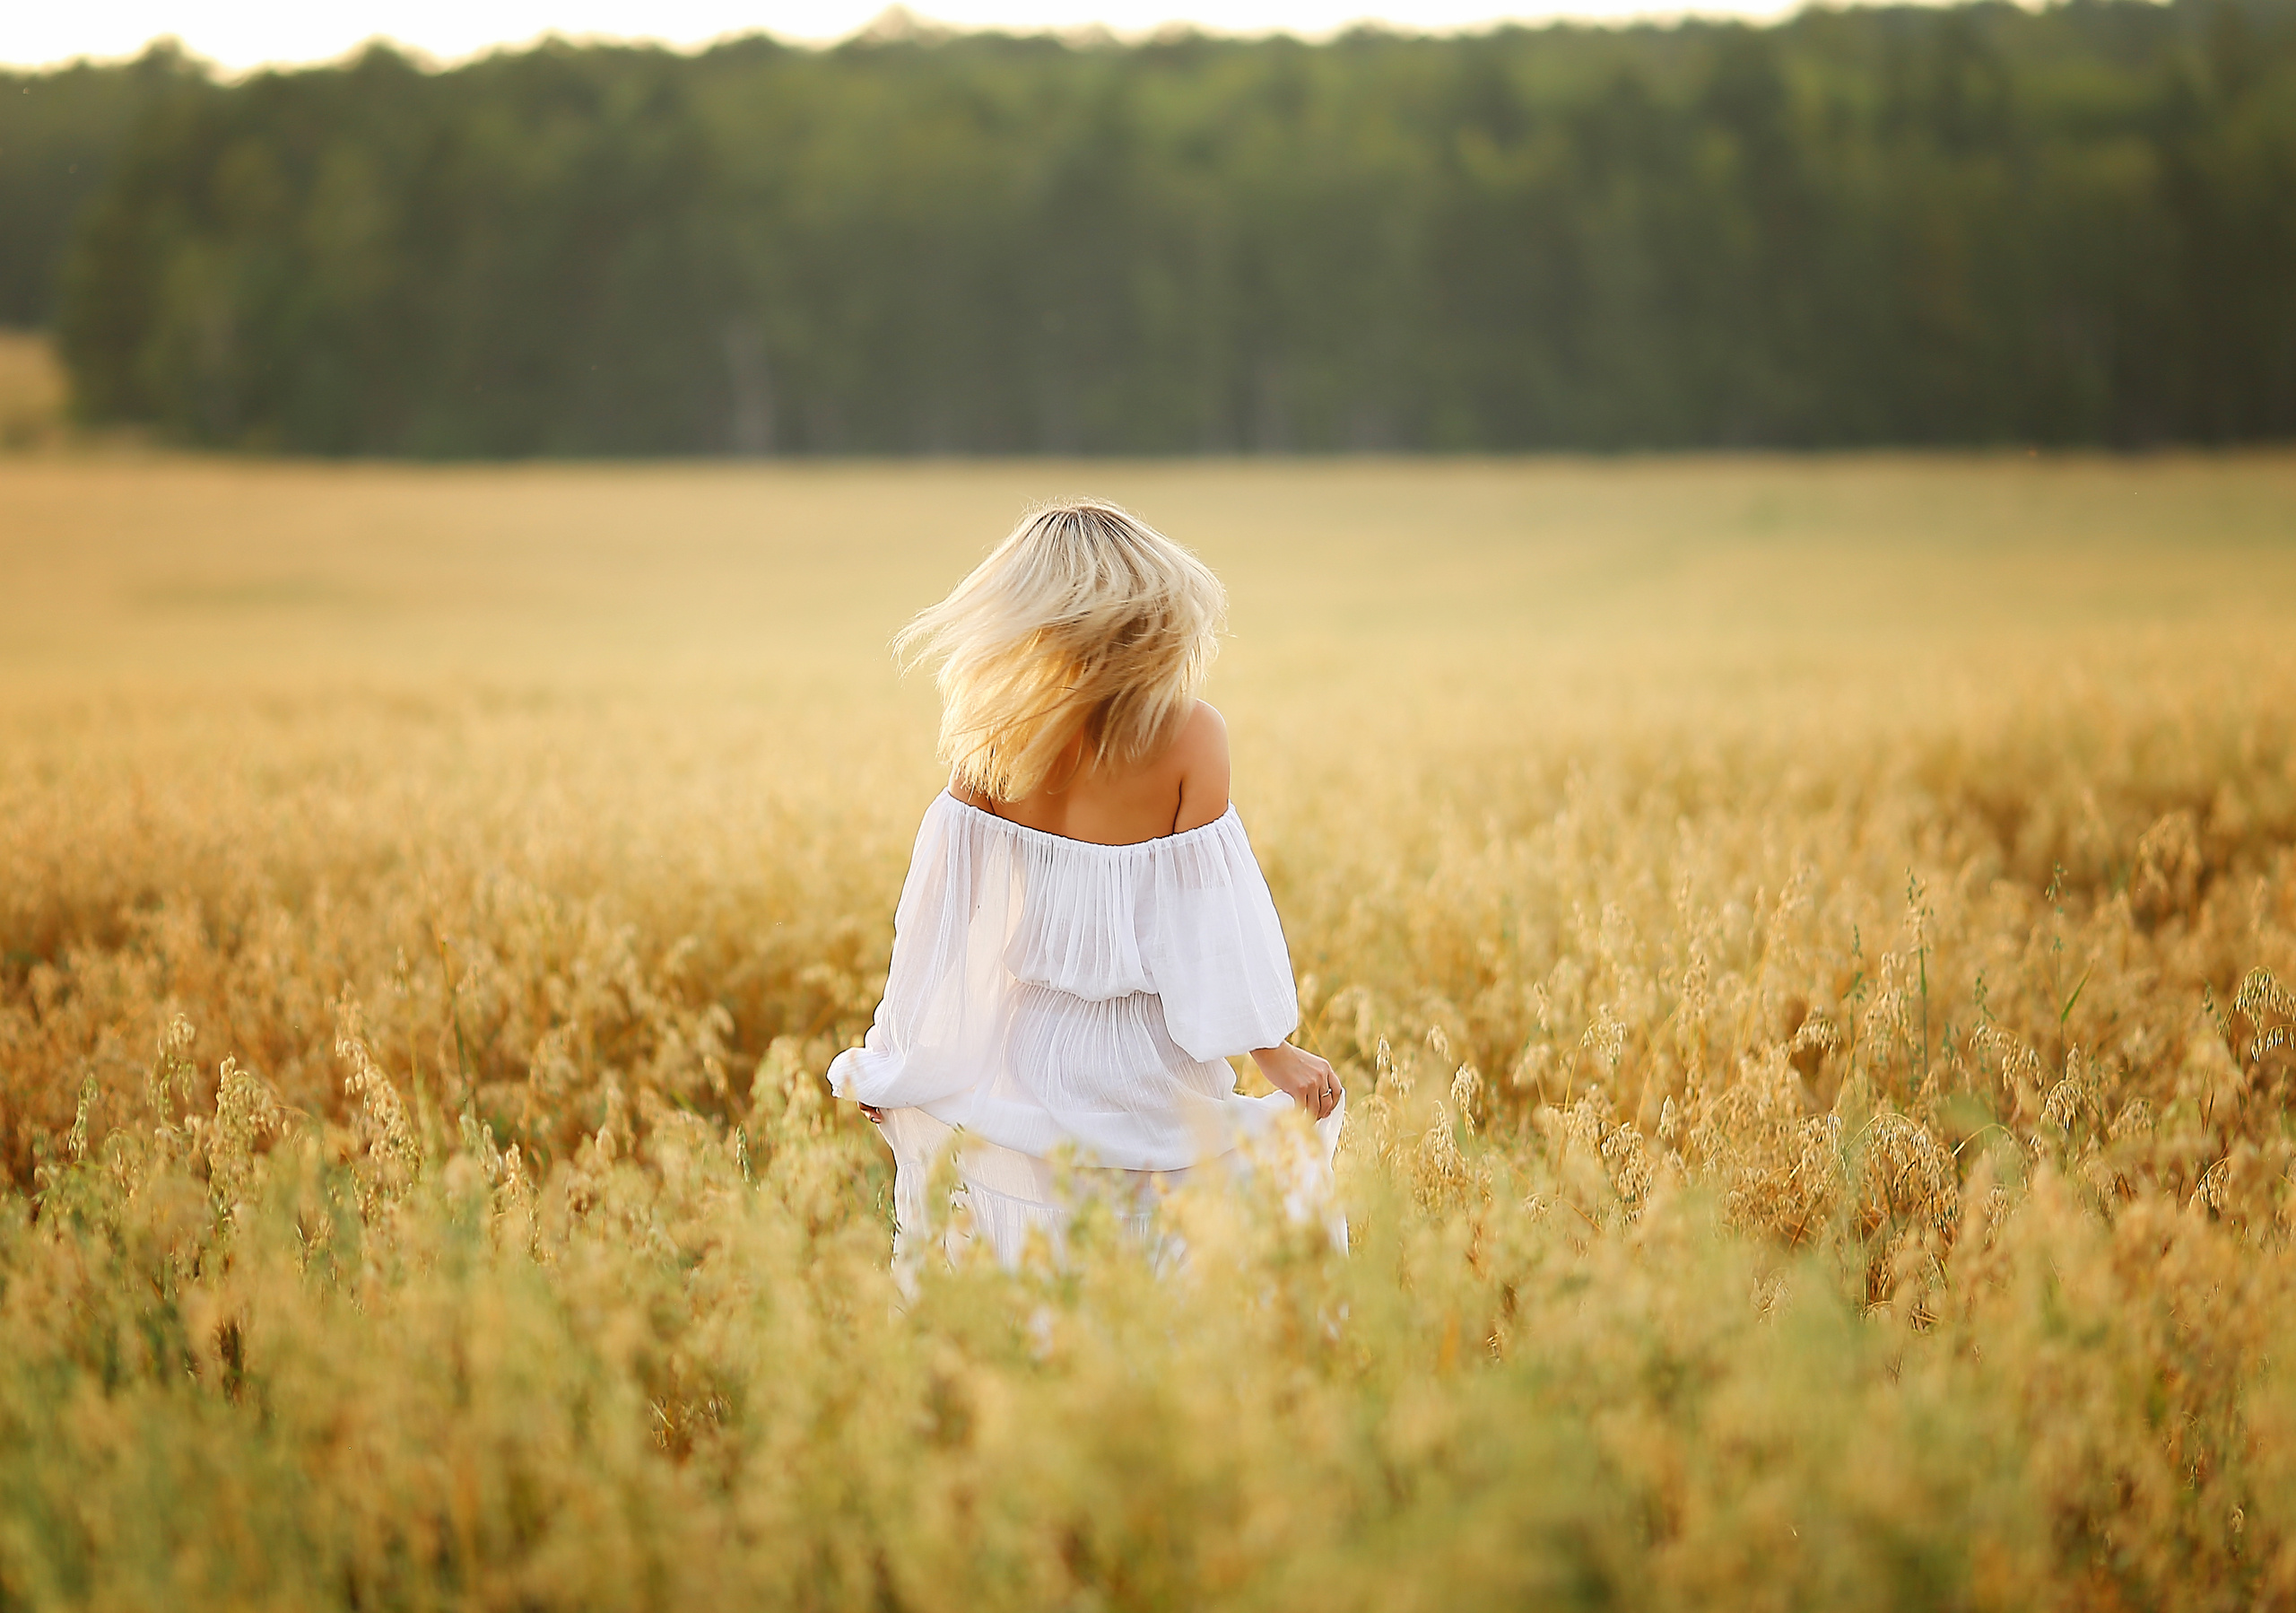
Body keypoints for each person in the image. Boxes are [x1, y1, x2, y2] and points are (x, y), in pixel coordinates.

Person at [828, 498, 1344, 1266]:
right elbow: (1212, 931)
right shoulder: (1192, 735)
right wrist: (1275, 1057)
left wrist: (901, 1056)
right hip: (1151, 1069)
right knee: (1164, 1277)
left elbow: (936, 926)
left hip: (1027, 1058)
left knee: (1042, 1271)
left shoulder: (993, 745)